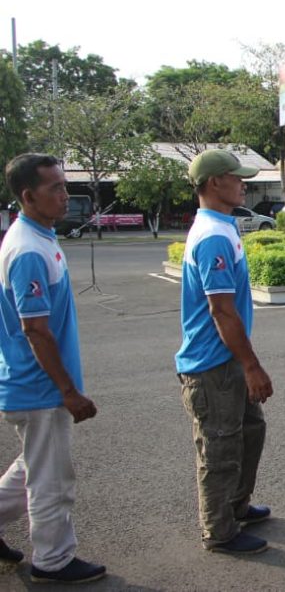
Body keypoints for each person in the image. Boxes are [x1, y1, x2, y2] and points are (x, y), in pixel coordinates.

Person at [0, 154, 106, 584]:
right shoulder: (27, 249)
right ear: (28, 196)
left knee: (32, 466)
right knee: (51, 482)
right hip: (39, 388)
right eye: (55, 189)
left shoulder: (40, 236)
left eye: (65, 186)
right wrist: (68, 390)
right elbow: (36, 331)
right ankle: (53, 561)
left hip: (38, 386)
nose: (66, 195)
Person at [176, 148, 274, 555]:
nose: (242, 184)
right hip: (212, 364)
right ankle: (219, 529)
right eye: (236, 178)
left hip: (225, 358)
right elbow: (221, 309)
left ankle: (236, 505)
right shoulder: (214, 235)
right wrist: (251, 365)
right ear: (214, 183)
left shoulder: (221, 225)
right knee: (220, 447)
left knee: (249, 431)